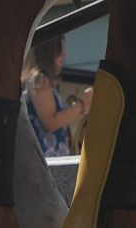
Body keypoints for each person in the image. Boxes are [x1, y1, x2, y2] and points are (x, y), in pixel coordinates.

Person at [21, 27, 90, 159]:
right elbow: (51, 122)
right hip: (46, 159)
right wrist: (82, 105)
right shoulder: (40, 80)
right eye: (61, 51)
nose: (64, 56)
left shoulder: (41, 81)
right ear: (51, 53)